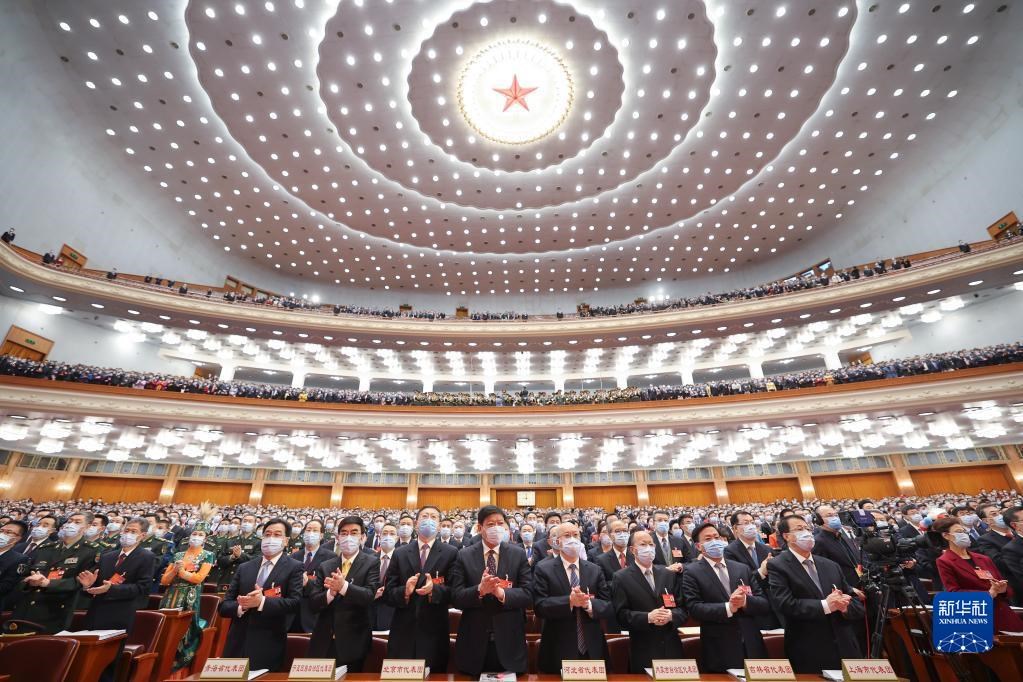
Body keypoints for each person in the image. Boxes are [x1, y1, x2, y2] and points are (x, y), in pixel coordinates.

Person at [767, 515, 865, 673]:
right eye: (799, 529)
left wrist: (845, 606)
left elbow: (854, 602)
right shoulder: (778, 565)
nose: (806, 532)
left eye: (807, 528)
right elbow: (785, 604)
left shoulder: (830, 565)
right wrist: (826, 605)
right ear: (786, 536)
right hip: (810, 647)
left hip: (846, 645)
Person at [450, 505, 533, 677]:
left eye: (500, 523)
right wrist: (480, 590)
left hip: (510, 640)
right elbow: (456, 596)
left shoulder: (517, 554)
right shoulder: (464, 555)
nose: (496, 528)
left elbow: (528, 593)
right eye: (490, 524)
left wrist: (502, 594)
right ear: (480, 528)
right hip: (473, 642)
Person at [681, 523, 769, 673]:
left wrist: (745, 602)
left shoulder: (741, 568)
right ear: (698, 546)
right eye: (708, 539)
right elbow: (694, 608)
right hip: (719, 645)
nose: (715, 541)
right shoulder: (692, 572)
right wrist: (729, 607)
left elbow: (763, 603)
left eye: (717, 537)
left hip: (751, 642)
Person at [220, 518, 304, 672]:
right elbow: (224, 606)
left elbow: (294, 603)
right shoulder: (245, 567)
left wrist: (261, 602)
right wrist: (242, 606)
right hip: (237, 643)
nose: (271, 538)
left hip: (268, 644)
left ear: (286, 541)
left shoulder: (294, 567)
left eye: (277, 535)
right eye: (267, 534)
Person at [77, 517, 155, 682]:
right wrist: (87, 586)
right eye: (126, 530)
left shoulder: (146, 556)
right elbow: (96, 586)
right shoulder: (108, 556)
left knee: (108, 662)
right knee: (86, 661)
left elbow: (142, 588)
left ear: (142, 535)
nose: (128, 534)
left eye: (133, 531)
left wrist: (112, 589)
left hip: (120, 614)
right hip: (96, 612)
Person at [383, 505, 459, 672]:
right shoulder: (400, 553)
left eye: (433, 517)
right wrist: (405, 591)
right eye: (425, 516)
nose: (429, 520)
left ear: (439, 525)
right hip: (403, 632)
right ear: (416, 523)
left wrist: (434, 590)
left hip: (434, 632)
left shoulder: (451, 552)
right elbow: (388, 593)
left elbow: (455, 592)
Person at [532, 522, 613, 674]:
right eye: (567, 535)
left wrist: (588, 604)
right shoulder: (543, 569)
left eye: (576, 535)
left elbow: (607, 605)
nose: (572, 539)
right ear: (557, 541)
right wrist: (569, 602)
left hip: (592, 648)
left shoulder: (594, 569)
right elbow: (539, 606)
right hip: (557, 647)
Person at [308, 516, 379, 671]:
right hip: (323, 640)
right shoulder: (325, 566)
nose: (348, 537)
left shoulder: (371, 562)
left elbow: (368, 596)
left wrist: (344, 587)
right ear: (338, 537)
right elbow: (313, 603)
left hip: (354, 642)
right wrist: (330, 593)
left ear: (362, 537)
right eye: (344, 533)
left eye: (354, 533)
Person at [612, 530, 687, 673]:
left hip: (671, 647)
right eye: (643, 544)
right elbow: (621, 615)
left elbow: (683, 608)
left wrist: (671, 616)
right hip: (643, 648)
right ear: (632, 550)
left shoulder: (667, 574)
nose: (648, 548)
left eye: (651, 544)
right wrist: (648, 617)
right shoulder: (621, 577)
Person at [6, 517, 97, 633]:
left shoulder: (91, 551)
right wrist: (29, 581)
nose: (71, 525)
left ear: (87, 527)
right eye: (69, 521)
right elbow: (25, 574)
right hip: (26, 606)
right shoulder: (46, 548)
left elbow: (81, 581)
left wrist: (48, 583)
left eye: (77, 522)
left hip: (54, 610)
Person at [932, 516, 1023, 631]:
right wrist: (988, 594)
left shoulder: (983, 558)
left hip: (1002, 611)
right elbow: (954, 592)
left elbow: (1006, 587)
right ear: (946, 536)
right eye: (959, 532)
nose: (964, 535)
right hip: (977, 615)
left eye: (964, 531)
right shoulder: (945, 561)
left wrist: (1002, 589)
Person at [160, 520, 217, 670]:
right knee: (165, 627)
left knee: (185, 628)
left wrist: (181, 572)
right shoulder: (178, 554)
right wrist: (174, 570)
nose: (196, 536)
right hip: (171, 594)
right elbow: (164, 581)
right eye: (194, 533)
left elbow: (199, 578)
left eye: (200, 534)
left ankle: (178, 661)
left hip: (190, 595)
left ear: (205, 539)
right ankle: (162, 660)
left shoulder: (208, 555)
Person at [290, 519, 336, 633]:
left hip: (314, 614)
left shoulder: (331, 557)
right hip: (292, 615)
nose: (311, 533)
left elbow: (329, 585)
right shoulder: (294, 556)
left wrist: (307, 583)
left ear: (321, 535)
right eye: (308, 530)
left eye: (315, 530)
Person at [371, 522, 398, 630]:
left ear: (397, 538)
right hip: (370, 611)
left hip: (392, 613)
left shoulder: (402, 559)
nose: (388, 536)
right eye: (385, 533)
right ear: (380, 536)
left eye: (392, 534)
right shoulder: (370, 559)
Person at [0, 520, 29, 610]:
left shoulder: (20, 559)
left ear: (18, 538)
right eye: (1, 531)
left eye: (8, 532)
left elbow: (6, 586)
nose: (2, 534)